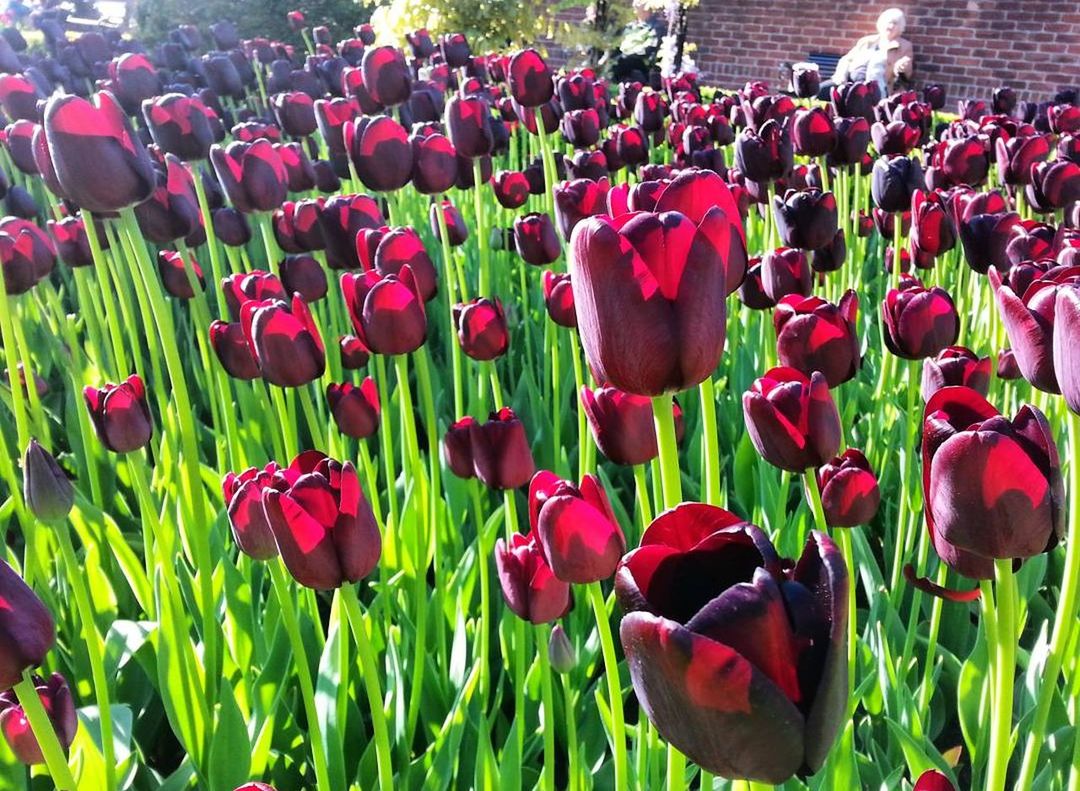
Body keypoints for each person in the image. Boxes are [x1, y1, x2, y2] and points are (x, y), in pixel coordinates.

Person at [818, 8, 914, 98]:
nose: (890, 26)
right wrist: (841, 76)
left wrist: (901, 67)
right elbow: (847, 59)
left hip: (873, 89)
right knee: (820, 90)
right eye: (888, 22)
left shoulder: (904, 46)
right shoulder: (867, 41)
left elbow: (907, 73)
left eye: (895, 23)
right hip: (848, 82)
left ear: (901, 27)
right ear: (881, 24)